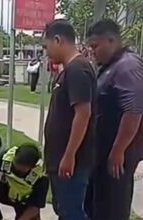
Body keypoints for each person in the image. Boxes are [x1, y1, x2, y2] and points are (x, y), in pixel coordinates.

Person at [85, 19, 143, 220]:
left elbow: (134, 111)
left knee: (112, 205)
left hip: (118, 153)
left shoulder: (127, 66)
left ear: (111, 40)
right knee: (98, 203)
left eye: (95, 46)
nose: (92, 52)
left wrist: (118, 150)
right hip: (104, 150)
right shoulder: (112, 65)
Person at [43, 19, 96, 220]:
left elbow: (83, 114)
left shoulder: (78, 69)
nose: (46, 52)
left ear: (58, 40)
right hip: (60, 159)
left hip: (72, 162)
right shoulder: (69, 70)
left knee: (72, 212)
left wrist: (69, 155)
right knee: (65, 211)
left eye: (46, 46)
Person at [0, 143, 49, 220]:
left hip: (25, 200)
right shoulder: (6, 159)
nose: (19, 168)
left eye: (24, 167)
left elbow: (35, 208)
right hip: (7, 190)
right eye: (17, 163)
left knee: (30, 215)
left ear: (32, 166)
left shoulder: (41, 178)